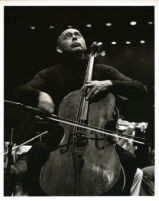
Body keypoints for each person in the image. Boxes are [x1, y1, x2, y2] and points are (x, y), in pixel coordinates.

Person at [13, 28, 147, 196]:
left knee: (128, 159)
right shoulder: (50, 74)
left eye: (78, 35)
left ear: (84, 44)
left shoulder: (104, 71)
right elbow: (20, 91)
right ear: (59, 48)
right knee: (37, 152)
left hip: (98, 141)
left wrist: (110, 84)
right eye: (68, 36)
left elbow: (140, 89)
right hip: (61, 140)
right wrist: (39, 94)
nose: (74, 37)